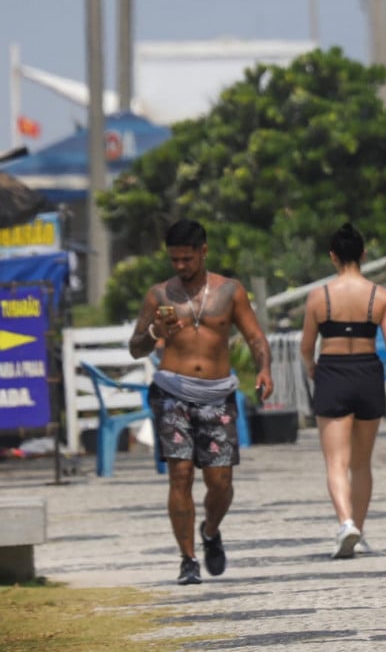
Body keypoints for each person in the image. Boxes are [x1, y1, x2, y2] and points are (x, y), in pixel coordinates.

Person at [129, 219, 274, 586]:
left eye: (187, 259)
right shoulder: (159, 295)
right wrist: (153, 333)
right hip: (172, 391)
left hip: (216, 394)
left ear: (203, 251)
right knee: (179, 475)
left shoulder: (230, 292)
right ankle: (187, 559)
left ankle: (210, 531)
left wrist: (264, 370)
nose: (180, 266)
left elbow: (255, 337)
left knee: (221, 481)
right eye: (174, 259)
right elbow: (135, 348)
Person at [300, 222, 386, 559]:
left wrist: (313, 370)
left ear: (332, 256)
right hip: (368, 372)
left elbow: (307, 345)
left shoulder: (318, 297)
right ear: (364, 255)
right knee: (362, 463)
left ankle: (345, 523)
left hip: (333, 373)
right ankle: (359, 530)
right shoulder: (380, 296)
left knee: (336, 462)